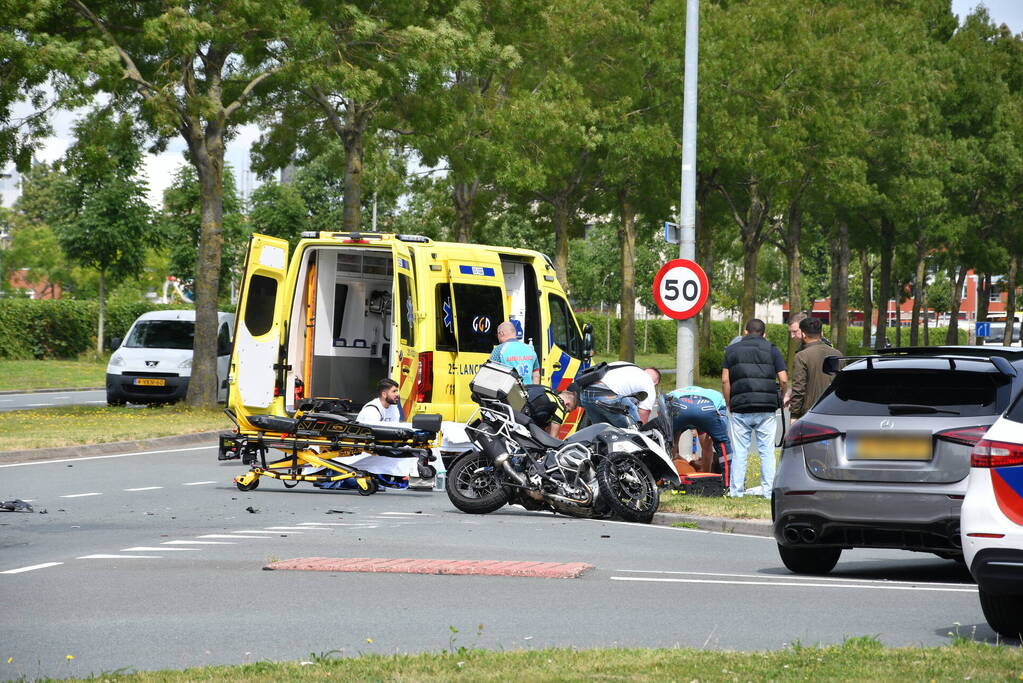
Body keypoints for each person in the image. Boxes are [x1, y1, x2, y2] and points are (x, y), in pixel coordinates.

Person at [722, 318, 788, 498]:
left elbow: (725, 380)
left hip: (740, 405)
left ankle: (736, 492)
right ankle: (768, 492)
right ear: (764, 334)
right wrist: (782, 395)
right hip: (766, 408)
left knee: (740, 451)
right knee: (766, 451)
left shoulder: (732, 350)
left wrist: (729, 402)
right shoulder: (772, 349)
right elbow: (783, 379)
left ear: (745, 332)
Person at [665, 386, 732, 479]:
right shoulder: (715, 394)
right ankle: (709, 477)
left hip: (680, 407)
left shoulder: (673, 392)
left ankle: (667, 477)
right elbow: (708, 444)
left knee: (671, 442)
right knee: (715, 444)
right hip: (706, 410)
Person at [569, 362, 659, 428]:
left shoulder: (627, 366)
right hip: (607, 395)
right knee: (635, 432)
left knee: (602, 431)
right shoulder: (649, 384)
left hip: (586, 393)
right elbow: (643, 414)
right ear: (656, 382)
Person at [789, 317, 842, 422]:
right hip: (834, 410)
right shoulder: (838, 354)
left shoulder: (802, 356)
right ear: (821, 333)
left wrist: (794, 414)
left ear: (803, 334)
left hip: (811, 412)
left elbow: (799, 388)